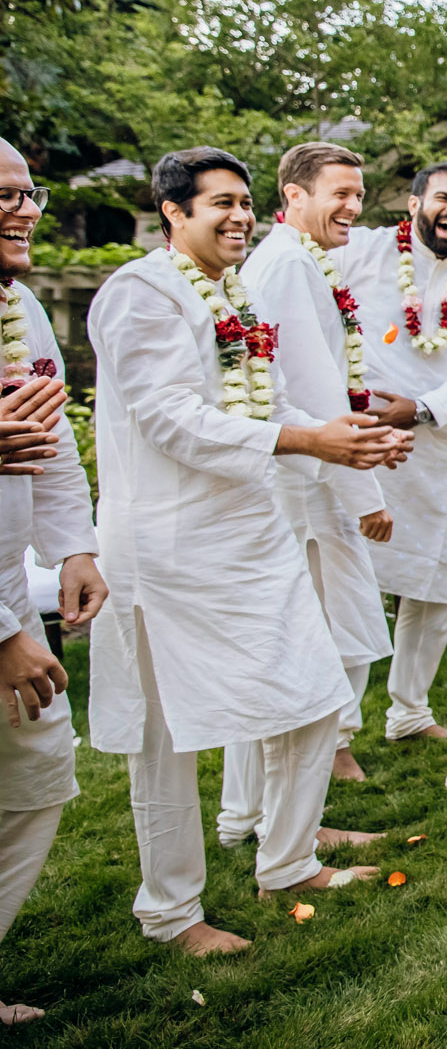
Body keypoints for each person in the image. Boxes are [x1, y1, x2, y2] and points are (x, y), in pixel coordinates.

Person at [87, 147, 405, 955]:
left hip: (248, 536)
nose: (237, 216)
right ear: (173, 212)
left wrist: (352, 439)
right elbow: (170, 417)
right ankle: (170, 912)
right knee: (168, 742)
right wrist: (307, 438)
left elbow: (276, 393)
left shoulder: (234, 291)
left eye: (244, 202)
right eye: (218, 203)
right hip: (166, 548)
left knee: (310, 692)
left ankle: (287, 858)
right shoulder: (140, 293)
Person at [226, 143, 399, 830]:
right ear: (294, 196)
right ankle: (277, 818)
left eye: (359, 194)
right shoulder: (290, 264)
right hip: (306, 486)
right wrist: (368, 493)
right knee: (308, 649)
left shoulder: (301, 261)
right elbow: (311, 383)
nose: (354, 207)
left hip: (314, 477)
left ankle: (264, 813)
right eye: (340, 193)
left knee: (323, 643)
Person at [332, 162, 447, 742]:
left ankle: (410, 714)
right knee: (353, 583)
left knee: (435, 587)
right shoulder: (360, 251)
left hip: (441, 446)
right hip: (360, 442)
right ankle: (336, 734)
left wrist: (424, 407)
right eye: (442, 198)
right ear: (414, 204)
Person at [0, 142, 105, 1027]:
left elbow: (54, 441)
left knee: (37, 780)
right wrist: (3, 631)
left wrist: (73, 546)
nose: (24, 209)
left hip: (8, 582)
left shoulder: (23, 307)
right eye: (3, 195)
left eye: (27, 192)